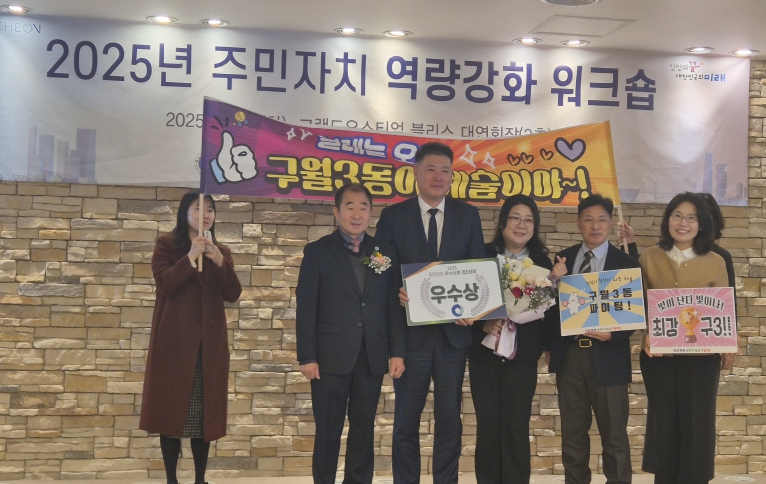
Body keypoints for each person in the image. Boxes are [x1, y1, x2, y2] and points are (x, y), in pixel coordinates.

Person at [375, 142, 485, 484]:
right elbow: (382, 273)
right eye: (431, 169)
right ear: (416, 173)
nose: (439, 177)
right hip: (411, 339)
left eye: (445, 171)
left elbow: (478, 271)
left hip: (454, 337)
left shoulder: (468, 215)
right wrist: (397, 291)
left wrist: (475, 309)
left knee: (450, 420)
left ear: (452, 176)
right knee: (406, 421)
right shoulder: (394, 217)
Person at [296, 183, 406, 484]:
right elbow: (306, 307)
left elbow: (393, 307)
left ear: (371, 213)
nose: (357, 214)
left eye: (363, 207)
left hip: (371, 356)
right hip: (329, 358)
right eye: (350, 207)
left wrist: (397, 352)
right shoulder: (318, 251)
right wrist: (307, 356)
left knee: (363, 429)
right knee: (328, 430)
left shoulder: (385, 252)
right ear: (337, 212)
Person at [140, 190, 242, 484]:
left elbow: (233, 294)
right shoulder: (167, 245)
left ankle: (200, 479)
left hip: (208, 347)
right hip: (173, 345)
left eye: (210, 209)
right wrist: (190, 257)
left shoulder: (220, 251)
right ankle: (171, 479)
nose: (205, 214)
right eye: (198, 208)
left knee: (202, 419)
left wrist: (219, 260)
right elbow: (165, 283)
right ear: (184, 213)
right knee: (170, 415)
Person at [469, 195, 566, 484]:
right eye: (515, 218)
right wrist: (483, 325)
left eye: (528, 220)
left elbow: (550, 314)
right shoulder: (482, 255)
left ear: (535, 227)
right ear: (503, 222)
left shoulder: (543, 264)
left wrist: (549, 348)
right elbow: (466, 301)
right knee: (488, 425)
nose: (521, 225)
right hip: (484, 356)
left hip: (522, 358)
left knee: (516, 426)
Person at [547, 194, 639, 484]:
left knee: (614, 437)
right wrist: (553, 282)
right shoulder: (562, 258)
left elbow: (636, 310)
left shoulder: (625, 262)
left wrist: (613, 334)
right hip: (570, 356)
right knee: (573, 436)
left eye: (601, 219)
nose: (595, 226)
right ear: (578, 223)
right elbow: (551, 309)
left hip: (608, 356)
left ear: (610, 223)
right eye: (588, 219)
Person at [639, 192, 730, 484]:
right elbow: (640, 306)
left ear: (701, 224)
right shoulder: (649, 257)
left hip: (701, 362)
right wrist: (646, 334)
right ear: (668, 220)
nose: (683, 223)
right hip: (659, 359)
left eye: (691, 218)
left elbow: (724, 311)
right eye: (677, 215)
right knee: (663, 428)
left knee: (697, 428)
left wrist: (729, 343)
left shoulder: (716, 261)